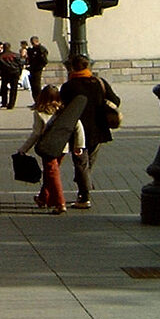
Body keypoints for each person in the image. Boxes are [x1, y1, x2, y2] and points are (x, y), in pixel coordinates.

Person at [58, 53, 122, 208]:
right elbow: (116, 100)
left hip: (77, 130)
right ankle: (83, 183)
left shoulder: (68, 87)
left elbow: (62, 108)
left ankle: (84, 196)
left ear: (72, 67)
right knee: (88, 163)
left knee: (81, 163)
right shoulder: (99, 82)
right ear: (87, 66)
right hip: (98, 129)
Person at [16, 83, 78, 215]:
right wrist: (79, 145)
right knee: (50, 174)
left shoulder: (40, 113)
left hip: (48, 148)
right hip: (63, 146)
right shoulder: (65, 110)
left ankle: (59, 203)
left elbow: (36, 134)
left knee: (52, 174)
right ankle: (42, 198)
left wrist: (23, 149)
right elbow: (78, 126)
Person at [26, 35, 50, 101]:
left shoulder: (41, 49)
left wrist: (42, 66)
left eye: (33, 43)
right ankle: (35, 100)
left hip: (38, 69)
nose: (32, 44)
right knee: (33, 86)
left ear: (36, 41)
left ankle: (39, 100)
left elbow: (44, 59)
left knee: (37, 85)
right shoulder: (33, 49)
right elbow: (30, 57)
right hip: (32, 68)